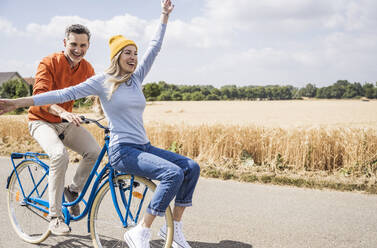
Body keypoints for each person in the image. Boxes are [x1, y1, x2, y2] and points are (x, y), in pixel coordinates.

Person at [0, 1, 199, 247]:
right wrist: (17, 102)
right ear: (116, 56)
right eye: (127, 52)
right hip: (47, 120)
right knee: (60, 156)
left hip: (138, 144)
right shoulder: (95, 77)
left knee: (190, 167)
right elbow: (60, 94)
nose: (133, 57)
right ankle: (56, 215)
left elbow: (155, 48)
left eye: (135, 53)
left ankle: (172, 229)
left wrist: (164, 15)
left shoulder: (134, 77)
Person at [27, 23, 101, 235]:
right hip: (41, 120)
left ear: (88, 45)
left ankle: (72, 190)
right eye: (73, 44)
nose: (78, 49)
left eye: (83, 45)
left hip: (65, 122)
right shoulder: (48, 62)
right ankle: (54, 217)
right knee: (60, 156)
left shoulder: (87, 68)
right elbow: (40, 96)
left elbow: (98, 92)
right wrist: (63, 112)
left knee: (94, 152)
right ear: (64, 43)